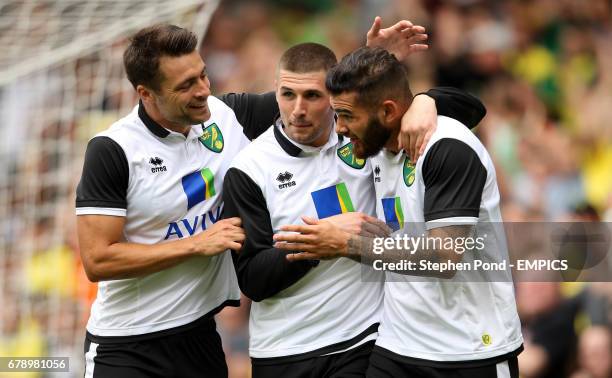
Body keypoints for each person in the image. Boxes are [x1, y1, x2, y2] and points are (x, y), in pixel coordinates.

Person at [75, 21, 446, 377]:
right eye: (186, 85)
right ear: (146, 93)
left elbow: (311, 97)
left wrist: (383, 68)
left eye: (203, 75)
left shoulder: (223, 114)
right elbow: (97, 259)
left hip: (200, 334)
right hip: (127, 343)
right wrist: (194, 245)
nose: (204, 90)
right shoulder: (113, 150)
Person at [222, 42, 487, 378]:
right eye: (288, 94)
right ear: (275, 92)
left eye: (313, 96)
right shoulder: (249, 168)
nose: (298, 110)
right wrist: (317, 243)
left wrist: (426, 100)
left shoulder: (362, 138)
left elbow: (470, 109)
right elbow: (253, 280)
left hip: (366, 339)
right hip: (285, 348)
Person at [275, 47, 523, 378]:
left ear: (389, 112)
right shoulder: (374, 143)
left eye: (348, 116)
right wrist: (426, 98)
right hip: (397, 345)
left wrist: (346, 245)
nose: (340, 129)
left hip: (469, 349)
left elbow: (444, 257)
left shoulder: (448, 148)